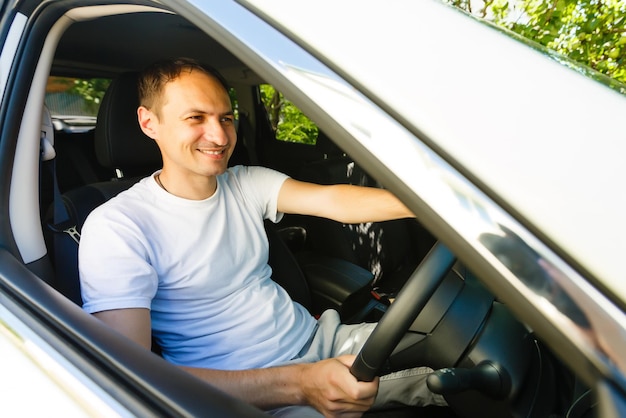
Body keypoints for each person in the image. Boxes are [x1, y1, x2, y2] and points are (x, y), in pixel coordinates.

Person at [79, 57, 446, 417]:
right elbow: (134, 373)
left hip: (324, 339)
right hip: (248, 395)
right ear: (149, 123)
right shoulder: (118, 226)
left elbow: (333, 199)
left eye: (225, 117)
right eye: (196, 118)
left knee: (459, 345)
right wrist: (300, 383)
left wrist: (438, 204)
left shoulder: (243, 182)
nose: (220, 136)